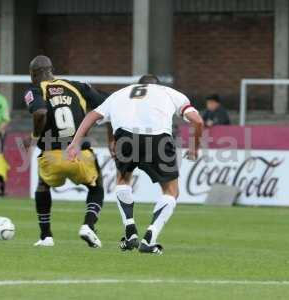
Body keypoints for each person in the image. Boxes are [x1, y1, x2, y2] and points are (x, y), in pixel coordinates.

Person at [67, 74, 203, 255]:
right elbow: (198, 121)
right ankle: (149, 239)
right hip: (158, 139)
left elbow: (92, 115)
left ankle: (130, 230)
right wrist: (194, 148)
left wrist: (76, 142)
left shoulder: (120, 93)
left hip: (125, 137)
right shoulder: (169, 92)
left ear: (137, 85)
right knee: (171, 191)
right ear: (157, 85)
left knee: (123, 179)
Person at [24, 55, 107, 248]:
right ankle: (88, 225)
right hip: (79, 153)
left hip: (52, 155)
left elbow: (40, 112)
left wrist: (36, 134)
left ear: (33, 74)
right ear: (51, 69)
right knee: (96, 187)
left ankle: (46, 237)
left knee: (42, 186)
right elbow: (106, 104)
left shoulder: (35, 90)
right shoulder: (76, 86)